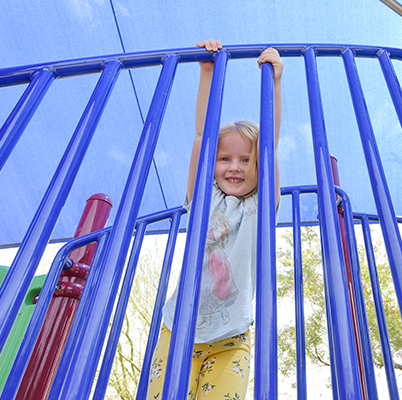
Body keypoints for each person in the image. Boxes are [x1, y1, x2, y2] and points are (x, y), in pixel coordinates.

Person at [146, 39, 283, 400]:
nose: (234, 167)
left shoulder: (260, 208)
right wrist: (207, 72)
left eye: (245, 160)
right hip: (177, 331)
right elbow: (200, 137)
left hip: (232, 338)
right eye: (225, 159)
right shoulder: (203, 200)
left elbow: (271, 146)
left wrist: (275, 84)